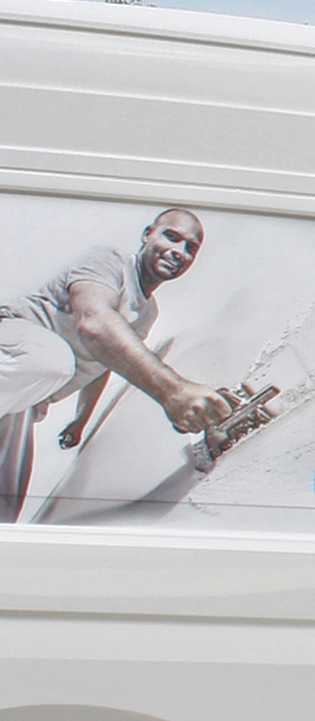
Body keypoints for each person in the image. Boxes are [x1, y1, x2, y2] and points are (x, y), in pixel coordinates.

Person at [0, 209, 222, 523]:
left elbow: (107, 358)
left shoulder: (146, 312)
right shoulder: (107, 262)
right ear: (148, 234)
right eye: (171, 237)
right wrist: (174, 391)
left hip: (26, 398)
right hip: (9, 351)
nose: (179, 252)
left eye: (190, 248)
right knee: (52, 361)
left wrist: (81, 421)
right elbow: (94, 322)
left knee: (5, 508)